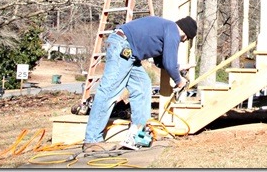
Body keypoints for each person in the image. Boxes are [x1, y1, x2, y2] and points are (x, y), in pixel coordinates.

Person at [82, 15, 197, 153]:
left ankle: (138, 134)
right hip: (123, 47)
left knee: (143, 86)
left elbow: (162, 62)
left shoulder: (165, 28)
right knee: (109, 91)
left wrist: (177, 68)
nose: (183, 42)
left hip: (129, 53)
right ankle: (92, 140)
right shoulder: (173, 30)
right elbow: (169, 64)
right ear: (185, 33)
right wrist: (179, 81)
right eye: (186, 39)